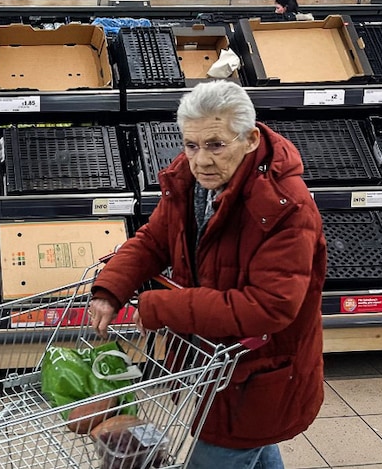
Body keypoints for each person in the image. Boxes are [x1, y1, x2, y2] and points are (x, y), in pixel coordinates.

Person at [89, 81, 326, 469]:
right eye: (191, 145)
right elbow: (155, 239)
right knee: (252, 443)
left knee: (224, 448)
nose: (200, 160)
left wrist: (161, 307)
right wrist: (111, 288)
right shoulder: (191, 179)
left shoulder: (286, 207)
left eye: (216, 145)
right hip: (220, 365)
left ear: (249, 140)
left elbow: (270, 306)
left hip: (258, 368)